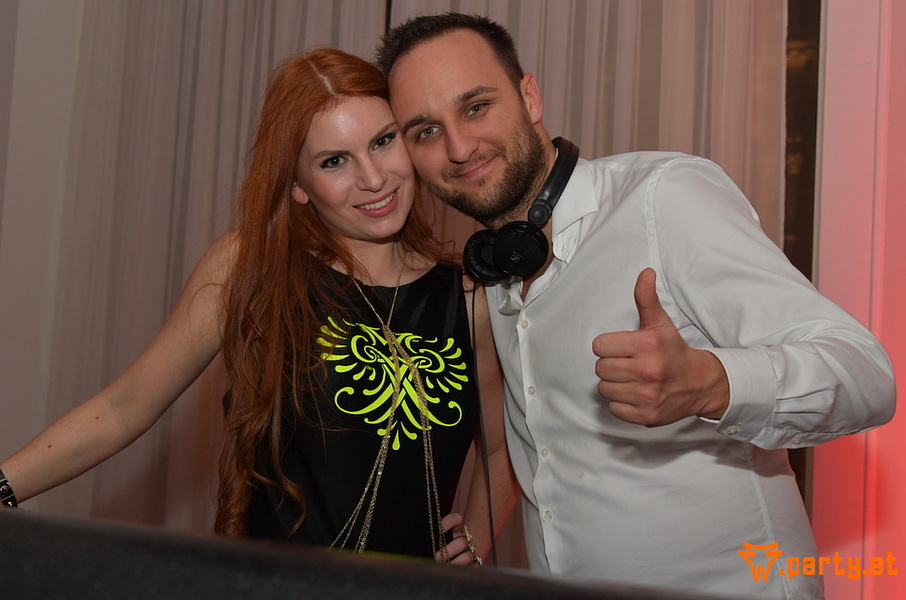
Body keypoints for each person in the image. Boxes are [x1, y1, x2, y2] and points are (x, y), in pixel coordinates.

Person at [375, 12, 896, 599]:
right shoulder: (494, 271)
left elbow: (866, 376)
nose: (459, 147)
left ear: (530, 96)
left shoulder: (663, 200)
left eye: (476, 107)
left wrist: (712, 384)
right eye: (426, 131)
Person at [0, 48, 518, 565]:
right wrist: (3, 488)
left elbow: (504, 447)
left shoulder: (469, 297)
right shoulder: (250, 269)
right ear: (297, 185)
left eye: (383, 142)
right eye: (334, 161)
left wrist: (472, 548)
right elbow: (121, 409)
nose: (373, 178)